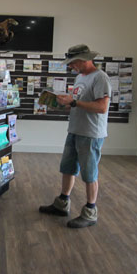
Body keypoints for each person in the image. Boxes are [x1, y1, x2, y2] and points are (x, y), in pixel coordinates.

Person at [39, 44, 111, 228]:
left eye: (73, 63)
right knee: (68, 168)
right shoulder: (80, 77)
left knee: (89, 173)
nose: (70, 66)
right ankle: (62, 203)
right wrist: (65, 102)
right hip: (75, 129)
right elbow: (78, 103)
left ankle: (90, 211)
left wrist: (75, 102)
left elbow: (102, 107)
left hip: (91, 133)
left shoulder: (100, 78)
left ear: (85, 59)